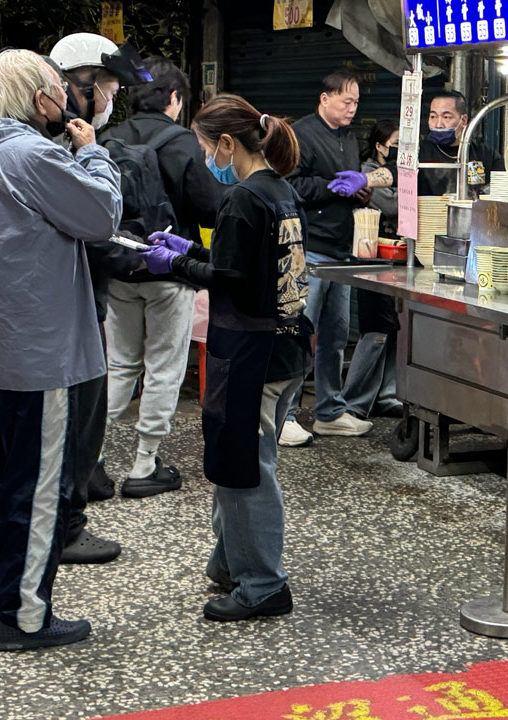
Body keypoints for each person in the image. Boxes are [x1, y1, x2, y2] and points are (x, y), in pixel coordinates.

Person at [0, 48, 121, 651]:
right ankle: (25, 615)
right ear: (40, 99)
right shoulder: (28, 153)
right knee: (35, 484)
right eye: (58, 90)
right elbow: (99, 214)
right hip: (34, 348)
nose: (65, 99)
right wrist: (92, 150)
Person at [139, 94, 310, 621]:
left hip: (251, 355)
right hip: (287, 348)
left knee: (243, 469)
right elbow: (243, 261)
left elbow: (231, 279)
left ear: (228, 144)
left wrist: (175, 266)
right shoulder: (279, 192)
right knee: (248, 460)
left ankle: (262, 583)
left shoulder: (242, 198)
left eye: (206, 146)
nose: (205, 156)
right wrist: (188, 249)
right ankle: (231, 559)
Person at [99, 56, 223, 499]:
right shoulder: (182, 143)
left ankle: (90, 459)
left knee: (120, 364)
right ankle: (143, 465)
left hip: (119, 269)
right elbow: (211, 207)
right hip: (170, 271)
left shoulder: (106, 138)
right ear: (174, 98)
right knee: (164, 368)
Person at [44, 33, 125, 563]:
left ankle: (74, 497)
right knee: (77, 412)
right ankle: (67, 525)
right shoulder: (57, 150)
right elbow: (99, 219)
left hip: (71, 299)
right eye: (108, 87)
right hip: (66, 306)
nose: (112, 97)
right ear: (81, 87)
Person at [284, 69, 371, 441]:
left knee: (336, 335)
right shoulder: (301, 134)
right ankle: (284, 413)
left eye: (355, 102)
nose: (352, 108)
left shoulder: (350, 137)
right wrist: (333, 187)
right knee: (298, 332)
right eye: (346, 101)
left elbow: (351, 181)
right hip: (310, 248)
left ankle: (329, 411)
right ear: (325, 99)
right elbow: (291, 184)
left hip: (342, 250)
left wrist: (360, 191)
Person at [343, 120, 402, 421]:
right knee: (376, 328)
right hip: (370, 257)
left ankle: (386, 394)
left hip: (397, 255)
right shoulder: (366, 173)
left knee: (392, 327)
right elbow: (392, 206)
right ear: (380, 146)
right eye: (395, 144)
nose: (399, 151)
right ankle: (353, 401)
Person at [416, 90, 500, 197]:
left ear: (463, 120)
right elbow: (396, 171)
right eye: (433, 116)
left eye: (446, 117)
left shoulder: (482, 152)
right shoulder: (420, 151)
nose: (438, 124)